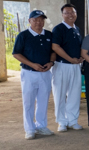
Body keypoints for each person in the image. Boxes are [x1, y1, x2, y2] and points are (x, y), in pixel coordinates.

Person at [12, 10, 56, 139]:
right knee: (28, 102)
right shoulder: (23, 36)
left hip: (45, 73)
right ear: (29, 21)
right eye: (35, 19)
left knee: (43, 101)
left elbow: (53, 51)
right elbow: (16, 54)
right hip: (29, 73)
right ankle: (30, 129)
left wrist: (51, 63)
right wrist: (32, 64)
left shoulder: (48, 35)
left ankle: (41, 126)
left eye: (41, 20)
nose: (39, 22)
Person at [51, 3, 84, 131]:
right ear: (62, 15)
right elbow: (55, 47)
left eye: (72, 12)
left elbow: (79, 47)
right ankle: (62, 122)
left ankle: (72, 120)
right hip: (62, 65)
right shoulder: (58, 29)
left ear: (76, 14)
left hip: (75, 66)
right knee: (59, 94)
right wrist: (70, 59)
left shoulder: (77, 29)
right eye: (67, 12)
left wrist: (80, 58)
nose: (70, 15)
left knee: (75, 94)